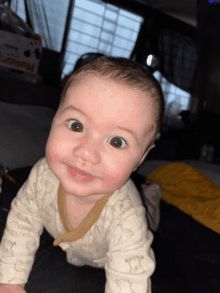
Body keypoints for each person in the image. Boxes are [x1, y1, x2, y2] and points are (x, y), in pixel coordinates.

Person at [0, 55, 164, 293]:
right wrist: (9, 281)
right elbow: (22, 223)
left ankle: (150, 197)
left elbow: (131, 281)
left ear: (141, 158)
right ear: (54, 117)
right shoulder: (42, 176)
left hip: (119, 241)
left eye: (116, 141)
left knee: (149, 218)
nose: (87, 152)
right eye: (76, 125)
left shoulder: (127, 217)